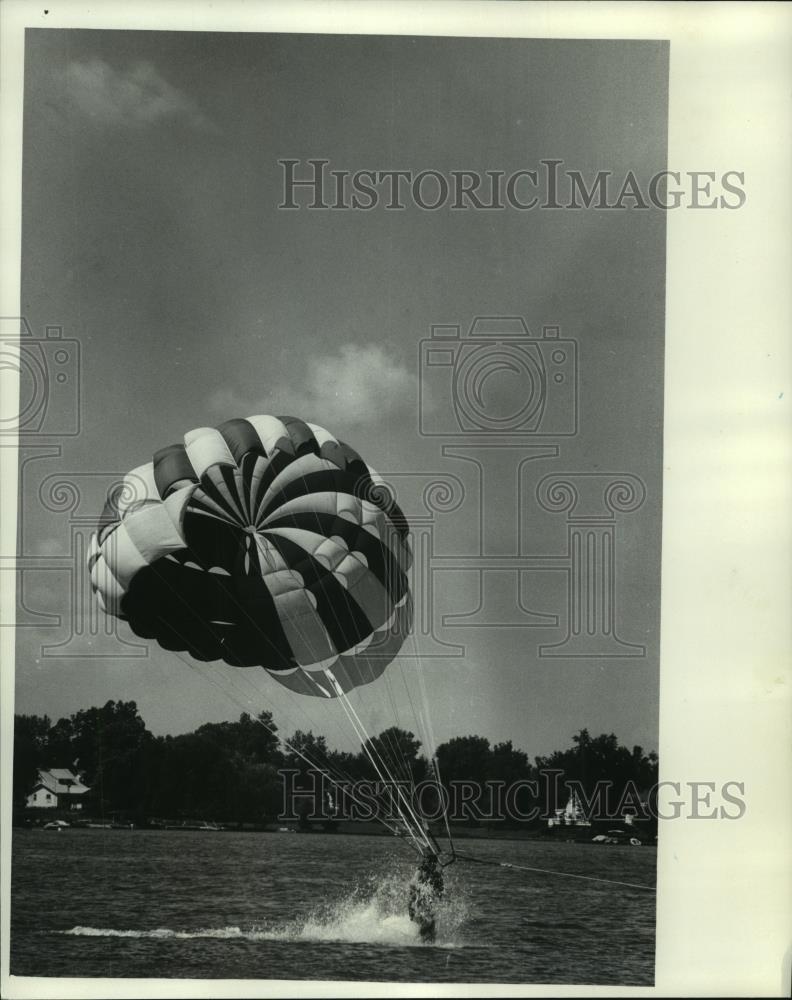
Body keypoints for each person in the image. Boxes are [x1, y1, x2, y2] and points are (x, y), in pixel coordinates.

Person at [408, 848, 446, 943]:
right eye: (430, 863)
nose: (432, 865)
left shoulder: (436, 876)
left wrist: (440, 881)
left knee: (432, 926)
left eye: (434, 864)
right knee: (427, 922)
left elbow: (440, 893)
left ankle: (429, 946)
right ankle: (415, 942)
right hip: (414, 906)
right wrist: (422, 888)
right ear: (426, 863)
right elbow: (412, 884)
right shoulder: (420, 872)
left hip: (426, 907)